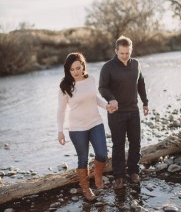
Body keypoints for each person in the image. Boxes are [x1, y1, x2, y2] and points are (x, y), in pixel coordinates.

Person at [57, 52, 112, 201]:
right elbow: (61, 110)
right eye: (72, 69)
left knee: (102, 154)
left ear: (83, 66)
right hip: (77, 128)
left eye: (78, 68)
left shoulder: (91, 79)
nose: (75, 72)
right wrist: (60, 131)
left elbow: (94, 98)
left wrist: (106, 106)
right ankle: (86, 189)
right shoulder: (65, 86)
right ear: (68, 70)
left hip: (95, 122)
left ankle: (98, 175)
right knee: (83, 158)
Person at [99, 35, 149, 189]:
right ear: (116, 51)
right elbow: (102, 88)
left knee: (136, 143)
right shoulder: (108, 67)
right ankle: (119, 176)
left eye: (128, 53)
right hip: (116, 113)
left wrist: (145, 102)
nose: (125, 56)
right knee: (118, 145)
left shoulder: (136, 64)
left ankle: (134, 171)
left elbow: (140, 83)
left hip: (133, 110)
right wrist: (111, 99)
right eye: (122, 53)